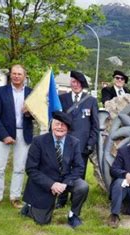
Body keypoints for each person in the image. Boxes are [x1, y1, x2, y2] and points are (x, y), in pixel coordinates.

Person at [20, 112, 89, 228]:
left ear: (68, 128)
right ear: (52, 125)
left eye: (63, 125)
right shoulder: (38, 141)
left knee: (83, 186)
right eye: (57, 124)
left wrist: (64, 184)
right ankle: (29, 207)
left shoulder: (74, 142)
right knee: (42, 221)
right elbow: (31, 169)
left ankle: (73, 215)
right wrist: (51, 185)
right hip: (44, 182)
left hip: (64, 180)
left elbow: (79, 167)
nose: (60, 127)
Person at [0, 64, 33, 210]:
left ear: (25, 76)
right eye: (14, 73)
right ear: (10, 75)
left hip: (23, 133)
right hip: (3, 134)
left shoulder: (31, 93)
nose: (16, 76)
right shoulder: (1, 91)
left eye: (19, 74)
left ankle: (15, 197)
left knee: (19, 168)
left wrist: (29, 113)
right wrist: (4, 135)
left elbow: (36, 115)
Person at [57, 71, 99, 208]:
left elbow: (95, 125)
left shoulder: (91, 101)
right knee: (63, 172)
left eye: (78, 83)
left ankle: (76, 199)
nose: (75, 85)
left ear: (83, 85)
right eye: (73, 82)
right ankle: (61, 199)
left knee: (79, 173)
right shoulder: (62, 98)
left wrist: (91, 143)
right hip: (65, 143)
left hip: (82, 145)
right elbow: (57, 120)